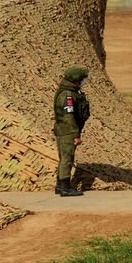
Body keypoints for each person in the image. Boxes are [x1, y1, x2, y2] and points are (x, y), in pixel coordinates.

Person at [52, 66, 91, 197]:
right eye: (82, 79)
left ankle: (60, 186)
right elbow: (68, 116)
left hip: (65, 130)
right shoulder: (67, 95)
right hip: (67, 131)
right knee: (67, 159)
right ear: (76, 80)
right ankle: (64, 188)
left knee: (65, 158)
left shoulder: (70, 92)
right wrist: (75, 135)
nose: (84, 81)